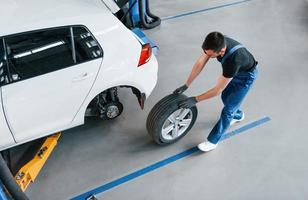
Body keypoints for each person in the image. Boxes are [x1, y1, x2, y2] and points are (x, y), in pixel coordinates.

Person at [174, 31, 258, 152]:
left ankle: (213, 141)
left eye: (211, 55)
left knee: (228, 110)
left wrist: (195, 99)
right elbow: (200, 62)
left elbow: (217, 89)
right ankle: (238, 115)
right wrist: (186, 84)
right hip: (237, 72)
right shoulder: (216, 41)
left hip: (246, 77)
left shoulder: (233, 61)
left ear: (221, 52)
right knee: (226, 97)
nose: (207, 56)